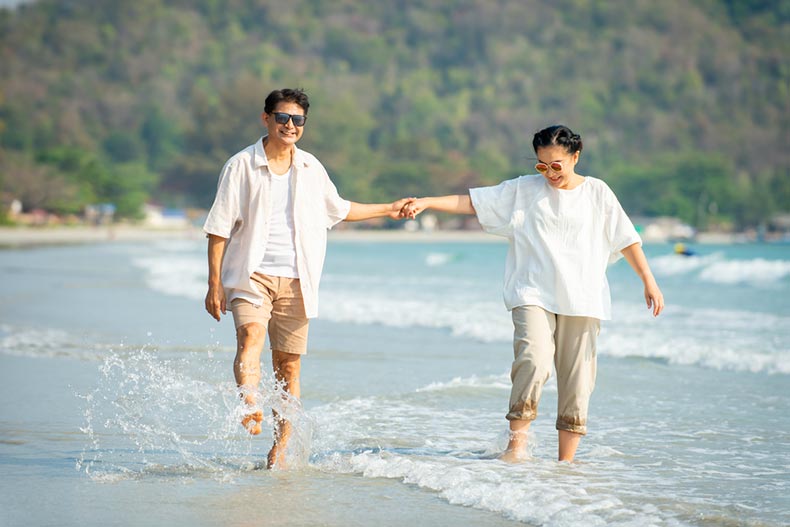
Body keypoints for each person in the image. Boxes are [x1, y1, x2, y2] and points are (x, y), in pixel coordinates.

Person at [402, 125, 664, 462]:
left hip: (583, 298)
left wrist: (648, 280)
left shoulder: (597, 193)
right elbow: (473, 202)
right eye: (542, 165)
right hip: (532, 292)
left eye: (557, 165)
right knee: (534, 360)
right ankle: (516, 449)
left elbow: (626, 239)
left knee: (578, 380)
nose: (549, 173)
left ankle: (565, 466)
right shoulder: (524, 190)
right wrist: (427, 202)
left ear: (576, 157)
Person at [203, 88, 412, 469]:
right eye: (282, 117)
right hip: (251, 273)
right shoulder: (241, 166)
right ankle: (249, 403)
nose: (290, 125)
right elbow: (218, 228)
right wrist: (214, 283)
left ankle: (279, 449)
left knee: (289, 367)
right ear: (265, 118)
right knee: (250, 336)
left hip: (298, 279)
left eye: (298, 120)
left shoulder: (311, 168)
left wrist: (389, 209)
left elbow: (341, 208)